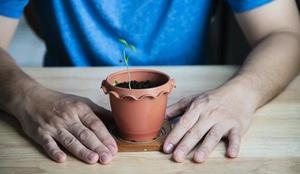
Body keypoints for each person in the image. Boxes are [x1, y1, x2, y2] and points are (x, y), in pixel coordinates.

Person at [0, 0, 299, 165]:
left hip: (186, 121)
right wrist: (24, 96)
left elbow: (287, 35)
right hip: (66, 124)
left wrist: (243, 93)